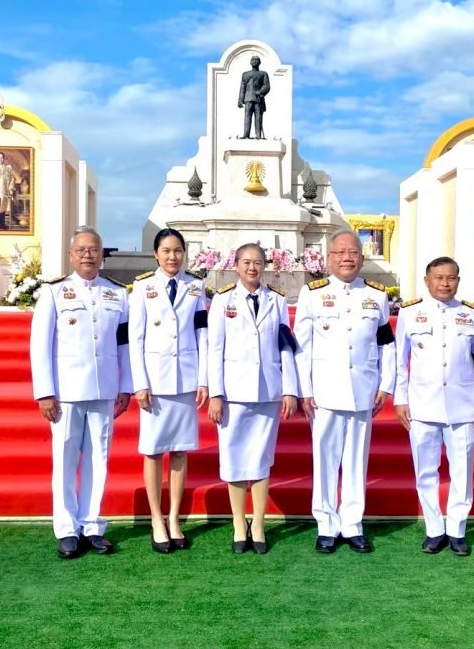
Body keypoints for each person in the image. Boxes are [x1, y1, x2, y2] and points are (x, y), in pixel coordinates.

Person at [30, 226, 133, 559]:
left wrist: (126, 386)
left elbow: (124, 344)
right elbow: (40, 346)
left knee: (98, 459)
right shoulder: (54, 292)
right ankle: (66, 529)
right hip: (67, 391)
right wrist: (45, 392)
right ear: (71, 255)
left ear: (102, 255)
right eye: (82, 250)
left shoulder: (118, 293)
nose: (88, 255)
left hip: (104, 389)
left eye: (94, 250)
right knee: (65, 459)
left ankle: (92, 526)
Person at [294, 229, 395, 554]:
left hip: (363, 389)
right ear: (329, 259)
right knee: (325, 461)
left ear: (361, 258)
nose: (347, 258)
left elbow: (386, 345)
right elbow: (301, 348)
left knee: (355, 462)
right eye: (340, 253)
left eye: (352, 252)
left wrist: (386, 384)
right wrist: (304, 390)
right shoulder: (312, 294)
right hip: (324, 391)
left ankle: (352, 525)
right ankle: (326, 525)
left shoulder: (377, 295)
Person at [393, 256, 474, 557]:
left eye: (451, 278)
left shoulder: (471, 315)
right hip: (422, 405)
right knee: (425, 470)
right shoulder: (410, 313)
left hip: (462, 406)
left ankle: (457, 530)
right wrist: (400, 399)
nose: (445, 283)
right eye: (438, 278)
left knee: (462, 471)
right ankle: (434, 529)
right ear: (427, 281)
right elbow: (399, 361)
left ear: (458, 281)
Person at [207, 243, 299, 554]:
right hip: (233, 392)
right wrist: (216, 393)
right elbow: (214, 349)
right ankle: (238, 523)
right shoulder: (223, 300)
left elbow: (286, 346)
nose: (252, 268)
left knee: (261, 457)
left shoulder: (277, 300)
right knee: (233, 458)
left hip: (267, 389)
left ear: (265, 266)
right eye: (246, 262)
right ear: (236, 265)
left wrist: (289, 388)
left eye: (258, 262)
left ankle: (258, 523)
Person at [130, 228, 209, 553]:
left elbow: (203, 333)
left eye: (177, 251)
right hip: (155, 382)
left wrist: (204, 379)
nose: (172, 257)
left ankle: (174, 517)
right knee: (152, 451)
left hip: (185, 380)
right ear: (155, 254)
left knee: (179, 450)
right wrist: (139, 383)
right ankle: (156, 518)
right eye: (166, 251)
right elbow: (135, 338)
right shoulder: (143, 286)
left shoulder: (196, 286)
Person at [238, 55, 270, 139]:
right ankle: (246, 134)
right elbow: (242, 88)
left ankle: (258, 135)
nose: (254, 62)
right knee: (247, 116)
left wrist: (260, 92)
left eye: (256, 60)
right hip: (248, 98)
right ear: (250, 62)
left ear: (259, 62)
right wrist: (240, 100)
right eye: (253, 60)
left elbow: (266, 86)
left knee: (258, 117)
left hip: (258, 98)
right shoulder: (245, 74)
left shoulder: (263, 74)